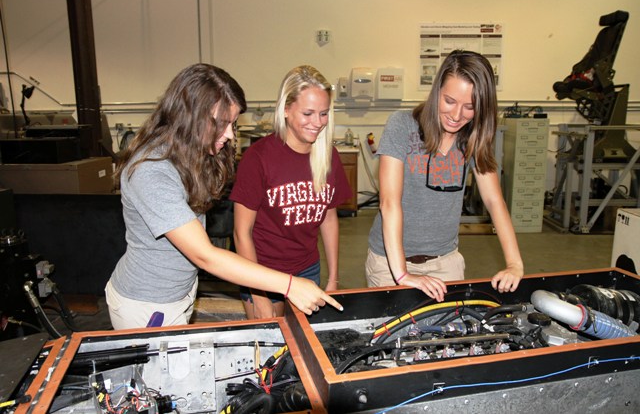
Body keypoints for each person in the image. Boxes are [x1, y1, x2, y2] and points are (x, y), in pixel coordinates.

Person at [105, 63, 342, 330]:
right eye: (221, 124)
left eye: (232, 124)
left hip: (177, 293)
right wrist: (288, 285)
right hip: (147, 302)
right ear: (190, 117)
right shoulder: (151, 171)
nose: (230, 135)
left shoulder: (185, 156)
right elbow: (205, 255)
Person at [366, 50, 524, 302]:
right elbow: (389, 203)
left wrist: (515, 263)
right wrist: (402, 275)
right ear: (437, 90)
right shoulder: (403, 125)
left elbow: (495, 202)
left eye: (470, 106)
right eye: (449, 100)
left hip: (445, 262)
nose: (456, 115)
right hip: (390, 262)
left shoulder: (473, 136)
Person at [230, 65, 351, 319]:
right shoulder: (258, 158)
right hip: (263, 272)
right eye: (308, 113)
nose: (317, 123)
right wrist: (258, 295)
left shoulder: (328, 156)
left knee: (304, 346)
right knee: (271, 349)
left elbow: (329, 219)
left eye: (323, 114)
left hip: (307, 270)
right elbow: (242, 232)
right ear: (285, 109)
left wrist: (334, 279)